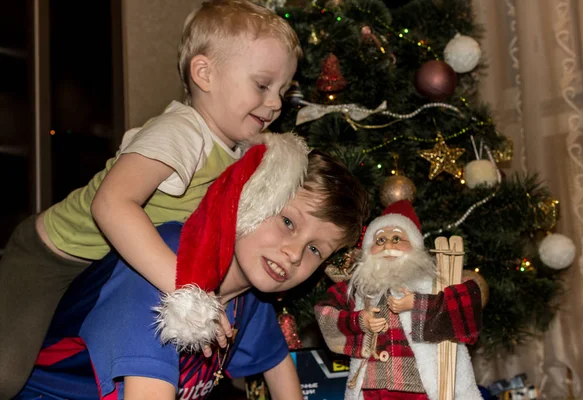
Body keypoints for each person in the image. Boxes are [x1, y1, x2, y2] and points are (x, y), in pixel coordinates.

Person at [0, 0, 302, 396]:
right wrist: (189, 291)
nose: (276, 102)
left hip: (105, 268)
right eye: (263, 85)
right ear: (204, 73)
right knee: (6, 374)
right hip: (51, 257)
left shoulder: (242, 154)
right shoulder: (181, 132)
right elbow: (111, 205)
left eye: (283, 90)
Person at [16, 141, 371, 400]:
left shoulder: (251, 298)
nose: (294, 255)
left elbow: (280, 370)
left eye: (314, 250)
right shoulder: (163, 263)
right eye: (289, 222)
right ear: (253, 198)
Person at [315, 200, 484, 400]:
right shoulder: (359, 289)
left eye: (397, 238)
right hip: (371, 388)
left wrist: (418, 304)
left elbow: (466, 309)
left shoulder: (432, 282)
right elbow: (325, 313)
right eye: (379, 240)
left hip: (421, 389)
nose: (387, 244)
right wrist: (360, 320)